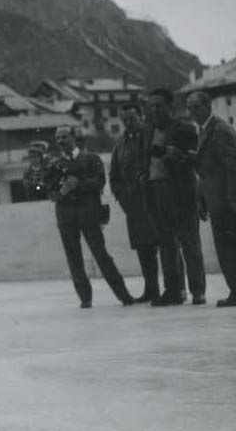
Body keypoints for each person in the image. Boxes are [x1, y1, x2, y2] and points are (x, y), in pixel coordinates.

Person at [43, 125, 134, 308]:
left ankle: (123, 295)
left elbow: (100, 181)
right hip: (66, 217)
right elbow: (50, 193)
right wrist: (62, 191)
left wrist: (79, 184)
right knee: (73, 258)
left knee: (101, 255)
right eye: (58, 138)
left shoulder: (91, 158)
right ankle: (85, 298)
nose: (61, 141)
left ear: (74, 138)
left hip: (89, 214)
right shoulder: (53, 164)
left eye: (64, 137)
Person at [187, 91, 236, 307]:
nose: (192, 112)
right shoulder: (205, 131)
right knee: (225, 248)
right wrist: (201, 199)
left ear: (208, 106)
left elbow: (235, 166)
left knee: (233, 247)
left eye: (196, 107)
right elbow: (205, 171)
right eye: (189, 108)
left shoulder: (219, 130)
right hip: (216, 200)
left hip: (227, 200)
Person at [142, 87, 203, 306]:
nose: (154, 110)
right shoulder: (147, 131)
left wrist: (175, 156)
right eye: (151, 106)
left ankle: (198, 291)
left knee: (189, 243)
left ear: (170, 107)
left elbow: (195, 160)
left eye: (159, 105)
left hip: (180, 191)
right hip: (156, 191)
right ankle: (173, 291)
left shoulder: (185, 129)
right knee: (166, 245)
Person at [109, 103, 162, 303]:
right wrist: (123, 199)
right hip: (134, 207)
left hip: (155, 202)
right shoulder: (120, 145)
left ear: (141, 116)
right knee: (143, 250)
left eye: (132, 119)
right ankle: (151, 290)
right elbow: (114, 177)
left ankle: (173, 289)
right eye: (125, 120)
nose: (129, 123)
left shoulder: (152, 136)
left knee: (165, 248)